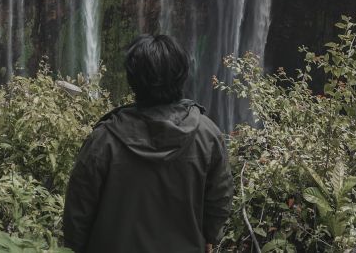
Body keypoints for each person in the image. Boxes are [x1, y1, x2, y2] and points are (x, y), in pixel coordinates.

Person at [63, 34, 232, 253]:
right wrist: (210, 236)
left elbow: (78, 211)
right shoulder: (208, 135)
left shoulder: (104, 140)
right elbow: (220, 199)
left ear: (132, 80)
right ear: (182, 74)